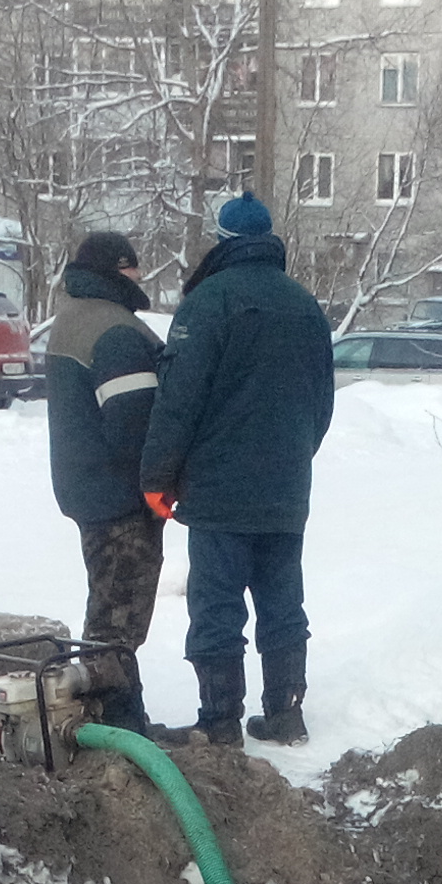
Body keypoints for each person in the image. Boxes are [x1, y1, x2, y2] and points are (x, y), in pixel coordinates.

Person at [134, 192, 336, 749]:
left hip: (220, 492)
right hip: (286, 490)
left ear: (223, 243)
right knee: (282, 600)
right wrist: (292, 458)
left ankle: (220, 722)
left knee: (217, 603)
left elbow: (179, 400)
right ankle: (286, 715)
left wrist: (157, 478)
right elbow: (322, 405)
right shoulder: (305, 306)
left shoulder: (209, 304)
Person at [42, 230, 166, 735]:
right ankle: (114, 724)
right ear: (120, 271)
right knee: (117, 620)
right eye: (134, 268)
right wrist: (160, 482)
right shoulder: (114, 332)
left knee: (108, 609)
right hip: (119, 497)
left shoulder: (71, 319)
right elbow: (134, 425)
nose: (141, 276)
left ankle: (122, 717)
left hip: (86, 488)